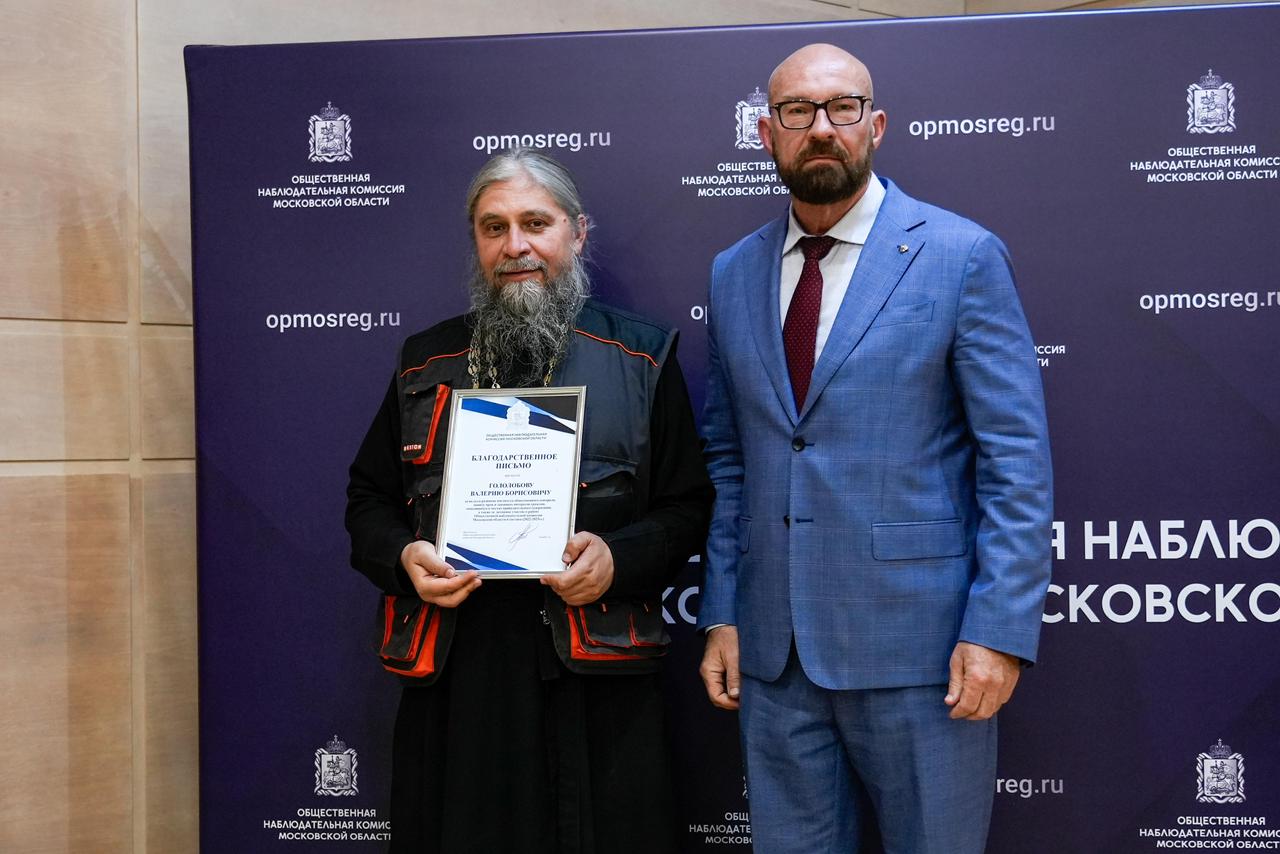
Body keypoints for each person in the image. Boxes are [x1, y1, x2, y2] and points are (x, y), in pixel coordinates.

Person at [697, 43, 1053, 853]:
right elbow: (730, 461)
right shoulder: (732, 272)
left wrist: (999, 630)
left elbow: (1016, 464)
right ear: (766, 133)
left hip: (925, 657)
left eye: (843, 107)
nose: (822, 128)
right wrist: (722, 609)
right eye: (798, 110)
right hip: (775, 660)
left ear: (877, 125)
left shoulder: (961, 256)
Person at [346, 148, 713, 854]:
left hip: (598, 682)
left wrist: (617, 558)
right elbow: (368, 500)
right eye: (494, 228)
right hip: (459, 677)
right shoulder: (425, 361)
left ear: (577, 232)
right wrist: (402, 557)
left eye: (535, 223)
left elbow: (687, 507)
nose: (515, 246)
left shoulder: (641, 357)